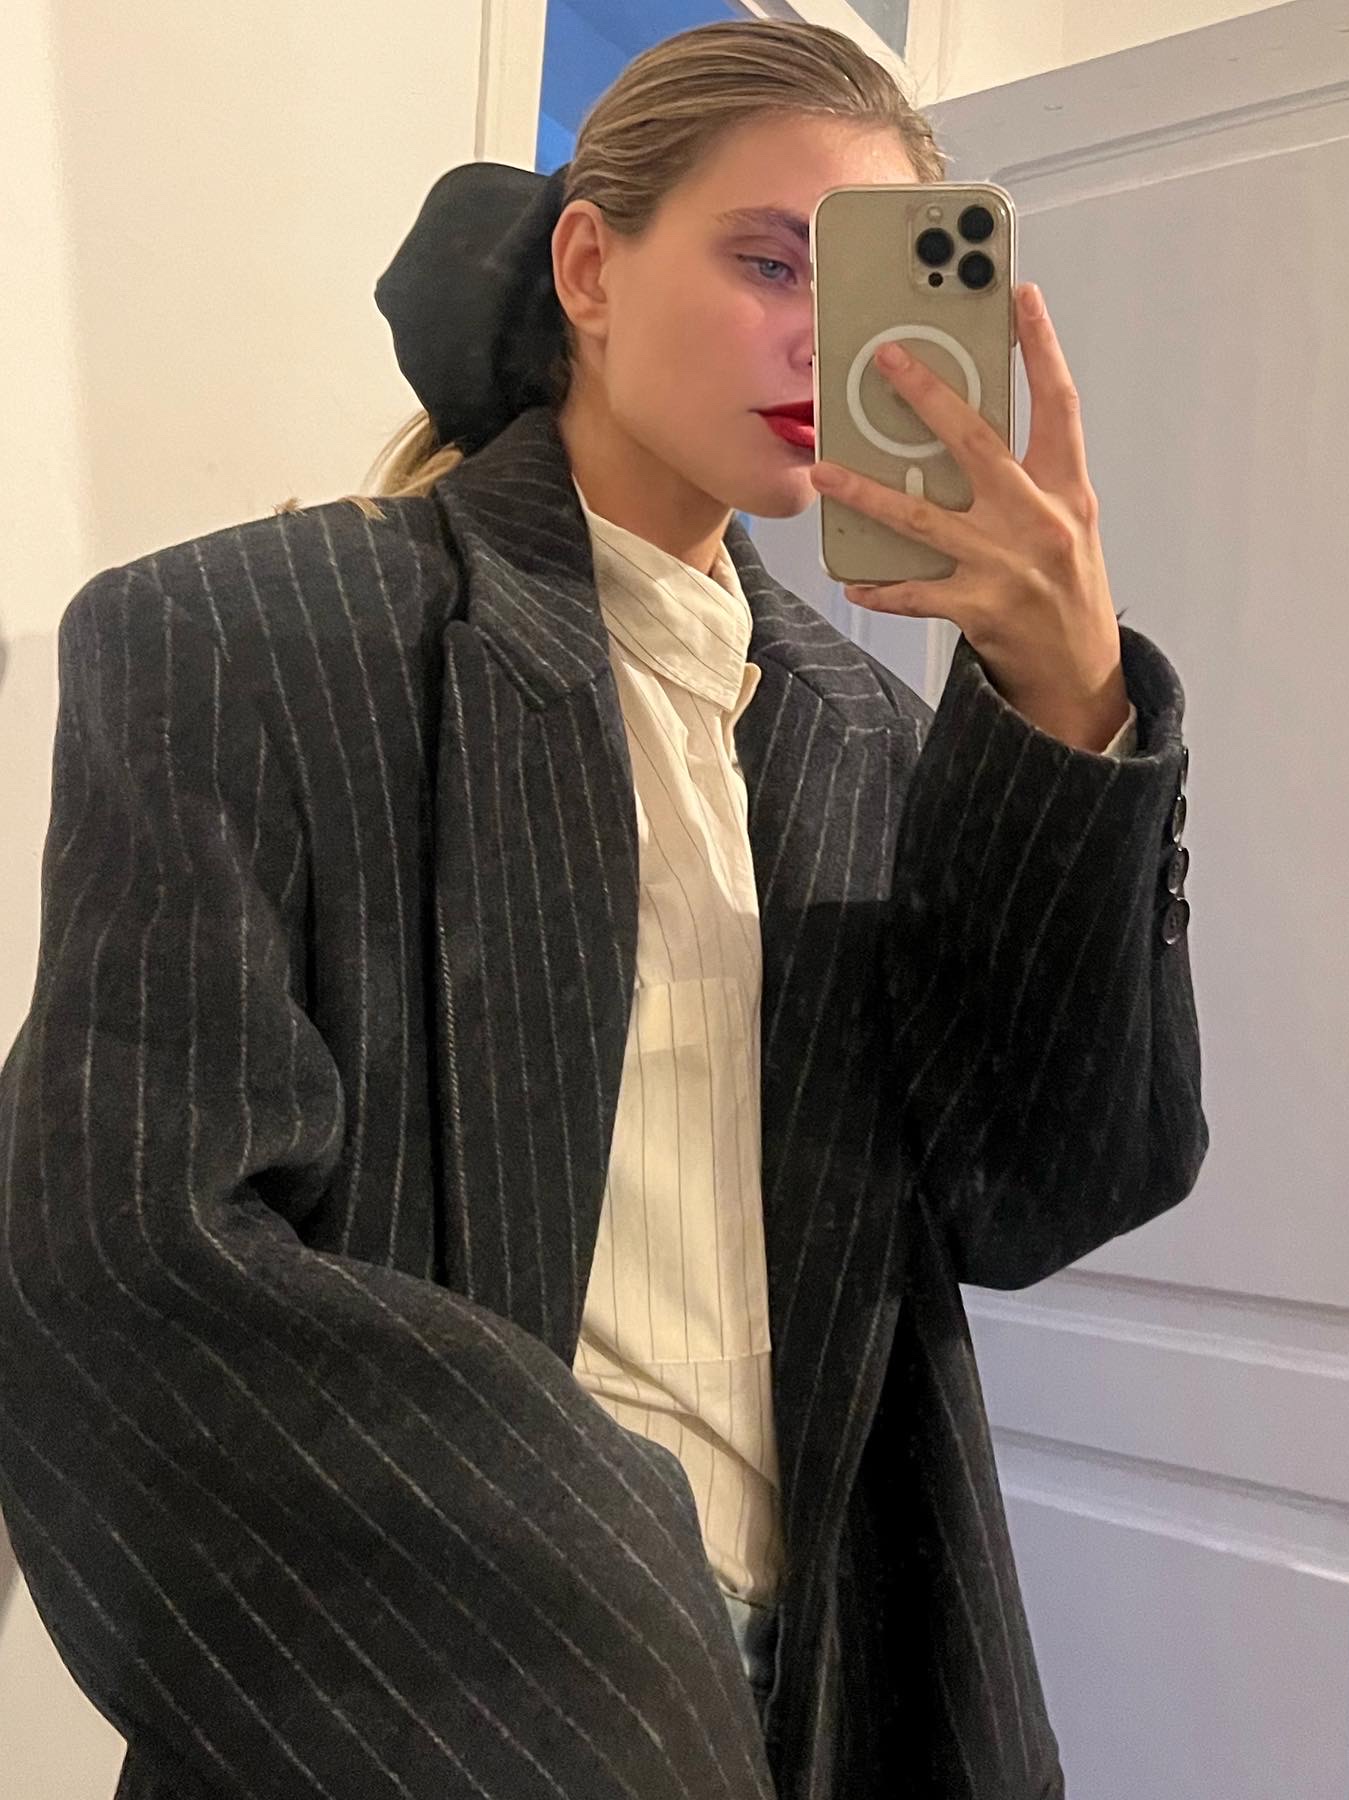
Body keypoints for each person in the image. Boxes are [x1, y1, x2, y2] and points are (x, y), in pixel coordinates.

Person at [0, 19, 1204, 1800]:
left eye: (875, 283)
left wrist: (1069, 713)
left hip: (840, 1694)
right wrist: (608, 1593)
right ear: (589, 268)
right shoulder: (247, 641)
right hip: (439, 1697)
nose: (824, 338)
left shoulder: (862, 736)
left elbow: (1035, 1190)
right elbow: (120, 1263)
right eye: (769, 261)